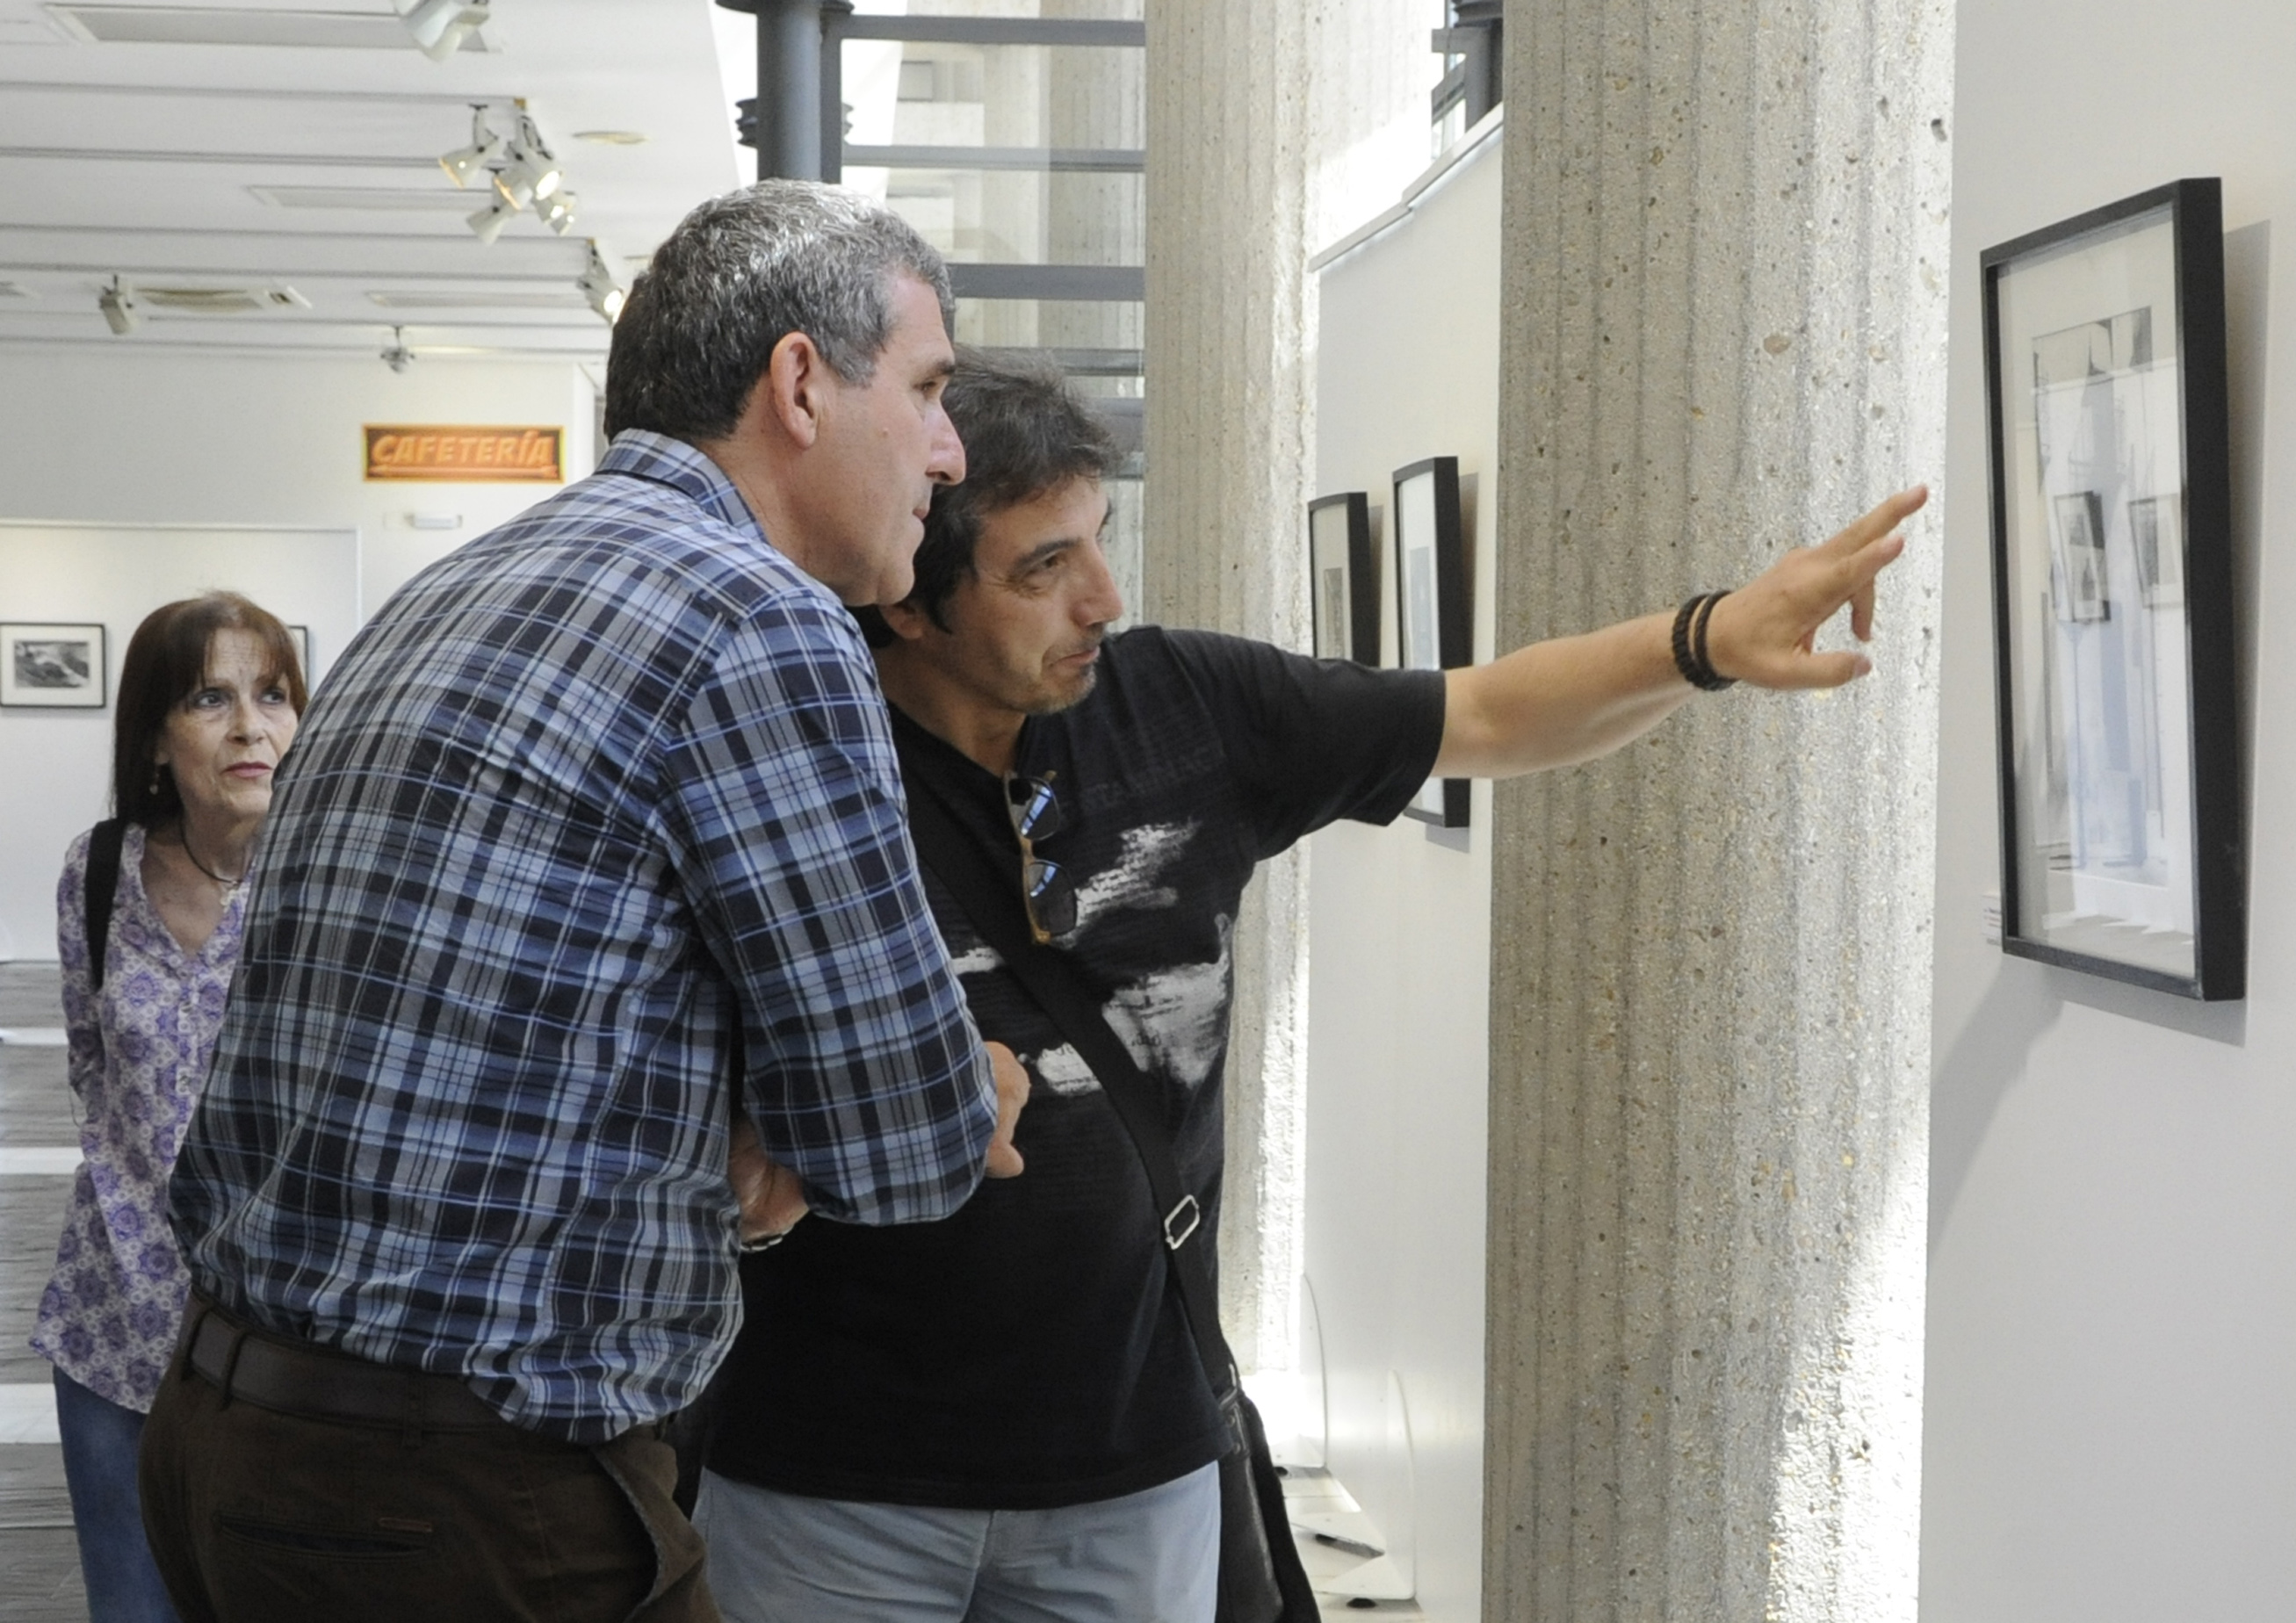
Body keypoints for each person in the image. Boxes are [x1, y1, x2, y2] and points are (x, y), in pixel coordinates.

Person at [692, 350, 1927, 1621]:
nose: (1104, 598)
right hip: (826, 1480)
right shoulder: (793, 755)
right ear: (910, 598)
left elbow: (1490, 716)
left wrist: (1708, 641)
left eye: (1099, 540)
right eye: (1043, 568)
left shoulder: (1183, 707)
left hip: (1133, 1473)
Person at [138, 181, 1028, 1623]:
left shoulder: (453, 585)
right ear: (801, 382)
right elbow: (901, 1139)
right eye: (928, 390)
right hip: (451, 1492)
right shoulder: (755, 617)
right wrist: (961, 1088)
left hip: (227, 1432)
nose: (950, 450)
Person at [32, 593, 304, 1623]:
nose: (250, 728)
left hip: (280, 1351)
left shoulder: (324, 883)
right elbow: (90, 1065)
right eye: (209, 699)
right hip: (113, 1327)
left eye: (272, 695)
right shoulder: (97, 872)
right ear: (155, 736)